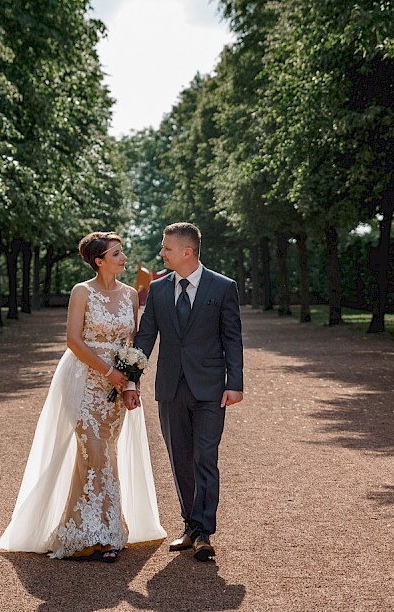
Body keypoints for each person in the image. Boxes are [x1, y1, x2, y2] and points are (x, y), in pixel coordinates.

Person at [0, 231, 166, 562]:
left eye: (122, 252)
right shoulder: (82, 292)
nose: (123, 258)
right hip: (85, 383)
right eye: (116, 253)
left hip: (117, 388)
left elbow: (131, 346)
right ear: (99, 260)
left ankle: (83, 529)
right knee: (96, 452)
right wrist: (108, 373)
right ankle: (105, 536)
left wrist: (130, 385)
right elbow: (73, 341)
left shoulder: (131, 295)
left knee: (102, 454)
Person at [132, 222, 243, 562]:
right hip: (170, 388)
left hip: (210, 388)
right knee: (180, 459)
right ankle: (189, 526)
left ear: (187, 252)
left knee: (205, 457)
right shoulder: (159, 288)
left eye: (166, 248)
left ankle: (204, 532)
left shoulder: (223, 287)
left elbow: (232, 337)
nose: (161, 253)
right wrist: (130, 379)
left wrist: (234, 382)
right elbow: (145, 338)